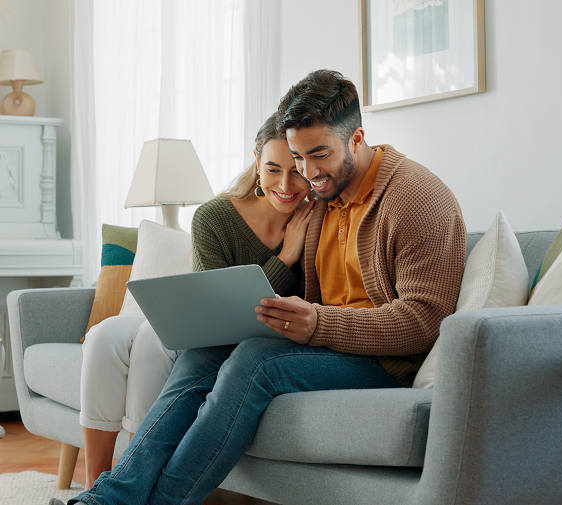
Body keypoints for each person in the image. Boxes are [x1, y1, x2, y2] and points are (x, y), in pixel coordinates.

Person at [56, 69, 466, 505]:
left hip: (386, 360)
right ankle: (106, 498)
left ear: (358, 138)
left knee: (256, 360)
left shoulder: (416, 198)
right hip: (328, 345)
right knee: (203, 353)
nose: (307, 174)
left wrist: (318, 323)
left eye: (319, 155)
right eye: (297, 157)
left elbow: (426, 322)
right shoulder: (323, 197)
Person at [76, 112, 313, 489]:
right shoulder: (215, 216)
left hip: (232, 339)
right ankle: (96, 484)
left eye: (296, 170)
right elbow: (214, 310)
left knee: (153, 343)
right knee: (104, 336)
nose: (286, 184)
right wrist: (284, 259)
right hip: (202, 324)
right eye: (272, 169)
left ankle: (131, 484)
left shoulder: (315, 221)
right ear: (256, 163)